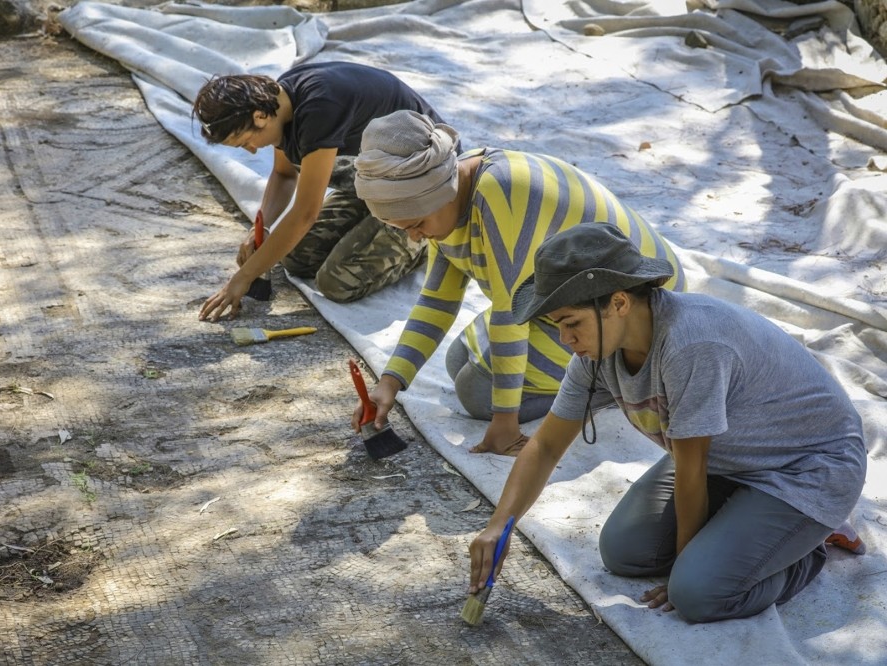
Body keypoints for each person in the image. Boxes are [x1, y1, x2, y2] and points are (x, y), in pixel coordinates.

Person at [467, 223, 868, 622]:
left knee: (698, 594)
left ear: (619, 303)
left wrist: (684, 570)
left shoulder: (691, 345)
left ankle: (809, 547)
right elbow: (548, 446)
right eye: (558, 325)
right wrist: (498, 526)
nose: (565, 339)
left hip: (809, 467)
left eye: (572, 323)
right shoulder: (598, 351)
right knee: (624, 551)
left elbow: (690, 471)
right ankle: (749, 531)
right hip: (728, 458)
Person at [351, 110, 686, 456]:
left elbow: (509, 314)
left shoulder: (501, 192)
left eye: (417, 224)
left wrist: (505, 424)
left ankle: (609, 383)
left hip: (631, 311)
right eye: (403, 228)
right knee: (458, 360)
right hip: (558, 303)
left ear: (441, 193)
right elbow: (437, 301)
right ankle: (589, 377)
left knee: (475, 393)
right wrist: (390, 383)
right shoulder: (446, 187)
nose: (416, 238)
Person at [193, 61, 457, 321]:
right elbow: (284, 175)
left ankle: (422, 240)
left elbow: (306, 213)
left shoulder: (319, 109)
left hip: (420, 190)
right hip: (374, 184)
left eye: (245, 141)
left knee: (338, 282)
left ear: (259, 117)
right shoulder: (279, 103)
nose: (251, 150)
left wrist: (243, 277)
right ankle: (377, 221)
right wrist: (260, 227)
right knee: (295, 257)